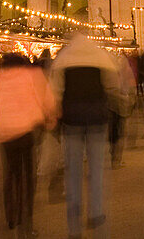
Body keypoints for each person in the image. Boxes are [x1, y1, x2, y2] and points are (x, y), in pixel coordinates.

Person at [50, 32, 119, 239]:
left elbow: (55, 90)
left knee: (73, 172)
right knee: (96, 169)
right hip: (97, 118)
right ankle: (96, 213)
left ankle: (74, 226)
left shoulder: (64, 57)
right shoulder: (99, 56)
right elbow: (112, 83)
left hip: (72, 119)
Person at [0, 52, 57, 237]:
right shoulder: (32, 74)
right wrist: (50, 116)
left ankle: (11, 217)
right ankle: (26, 221)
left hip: (5, 132)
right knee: (27, 177)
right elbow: (46, 97)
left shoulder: (1, 78)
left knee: (10, 174)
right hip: (26, 131)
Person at [109, 50, 136, 168]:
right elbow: (131, 86)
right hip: (121, 104)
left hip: (112, 105)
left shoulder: (110, 72)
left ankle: (114, 158)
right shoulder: (126, 71)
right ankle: (116, 159)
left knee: (114, 132)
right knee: (120, 132)